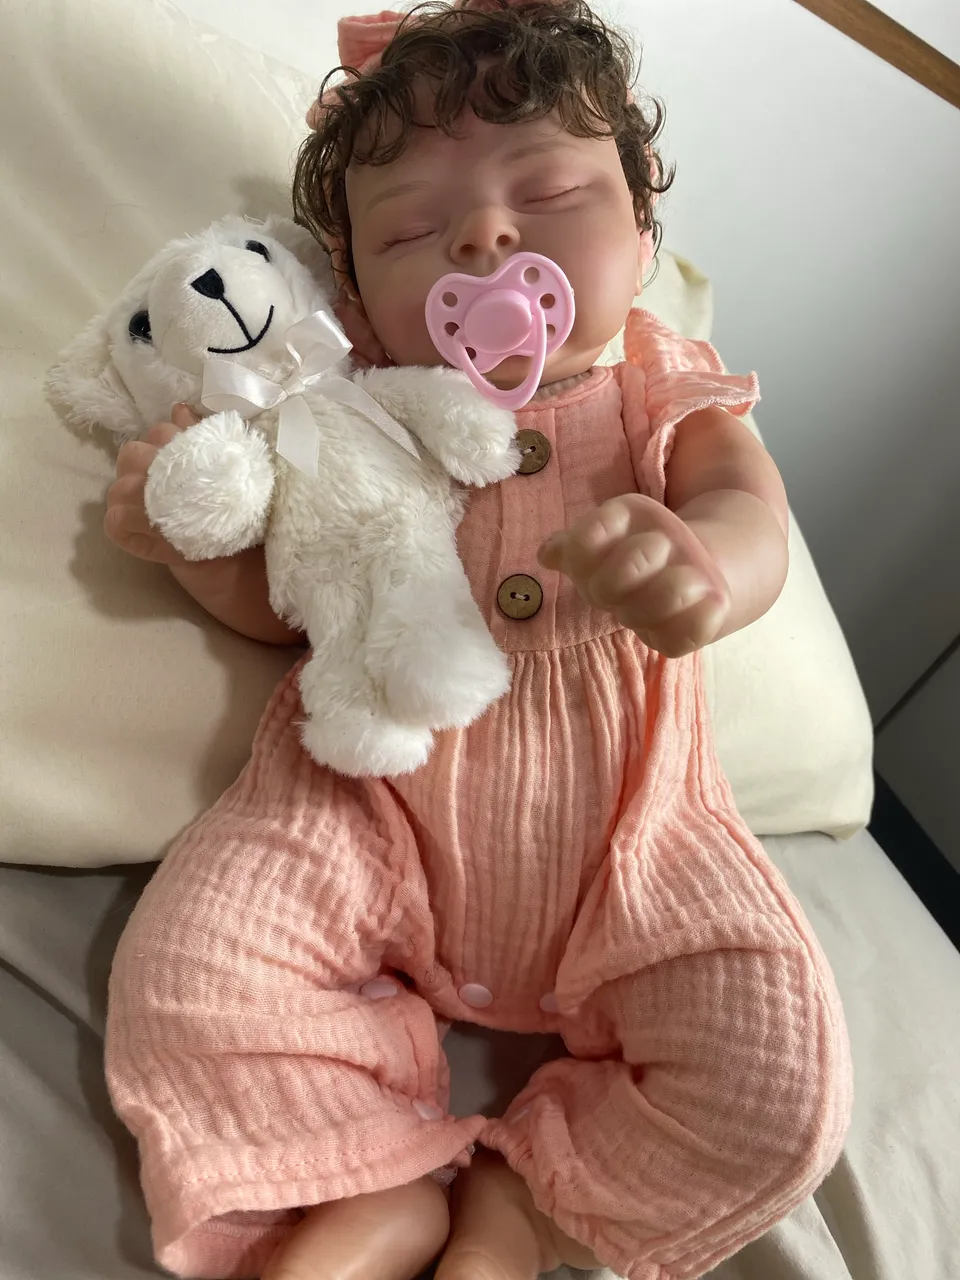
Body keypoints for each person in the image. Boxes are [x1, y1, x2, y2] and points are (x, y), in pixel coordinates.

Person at [103, 3, 853, 1279]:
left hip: (634, 832)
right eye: (412, 228)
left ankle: (532, 1202)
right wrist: (191, 551)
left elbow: (748, 506)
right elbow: (292, 606)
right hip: (362, 803)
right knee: (190, 970)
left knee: (782, 1079)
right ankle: (370, 1182)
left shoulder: (658, 383)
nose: (486, 236)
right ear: (357, 295)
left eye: (550, 193)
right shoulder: (364, 414)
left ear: (643, 227)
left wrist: (710, 564)